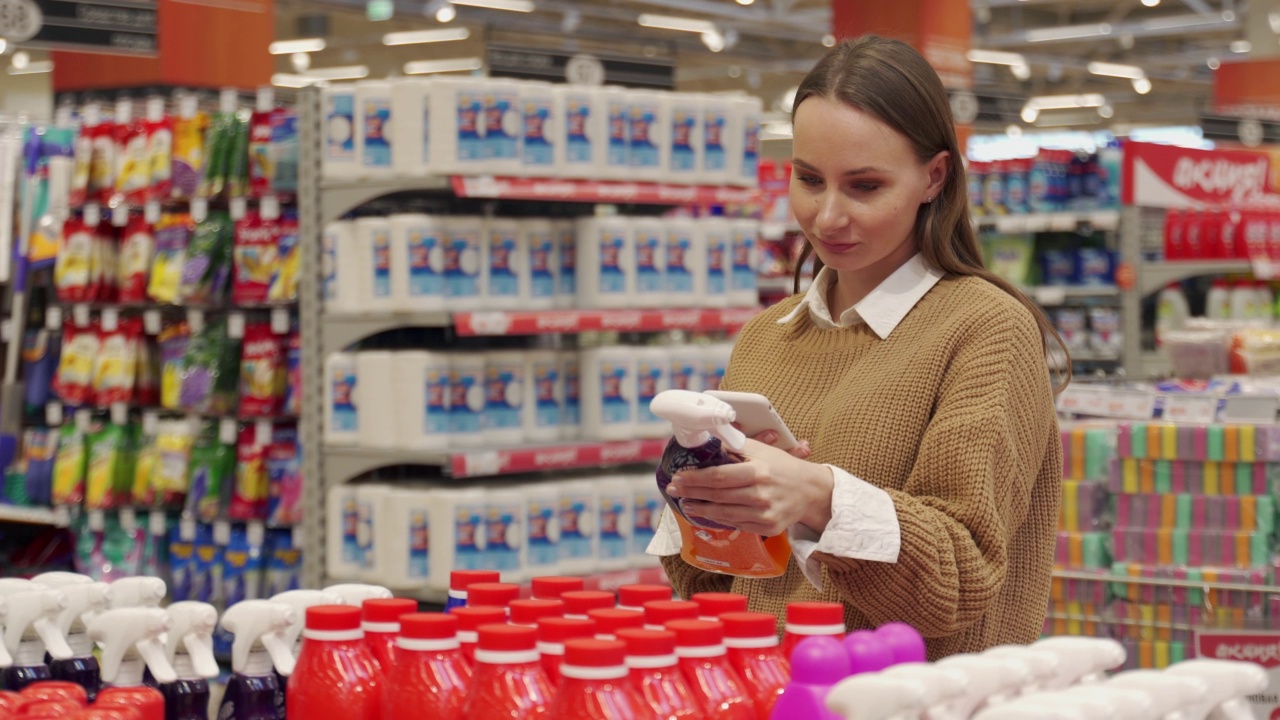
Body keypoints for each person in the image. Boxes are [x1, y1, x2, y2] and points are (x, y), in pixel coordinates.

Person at [648, 35, 1066, 660]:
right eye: (809, 179)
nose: (827, 217)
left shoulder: (986, 329)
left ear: (934, 177)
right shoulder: (769, 335)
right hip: (769, 690)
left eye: (865, 186)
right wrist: (703, 501)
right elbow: (711, 584)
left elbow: (962, 579)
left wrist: (817, 497)